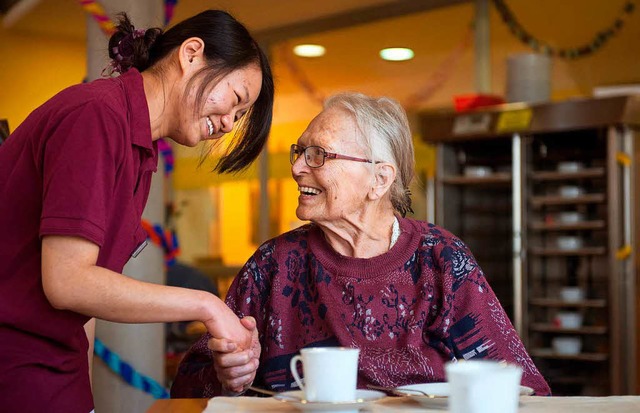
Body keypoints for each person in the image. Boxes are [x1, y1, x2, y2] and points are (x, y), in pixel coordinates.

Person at [170, 92, 551, 398]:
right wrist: (229, 378)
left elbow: (522, 386)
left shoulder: (440, 259)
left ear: (379, 180)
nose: (298, 167)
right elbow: (188, 387)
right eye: (299, 152)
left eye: (319, 154)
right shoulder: (274, 264)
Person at [0, 10, 273, 413]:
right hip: (17, 370)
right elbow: (66, 281)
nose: (230, 124)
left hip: (56, 375)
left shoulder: (138, 150)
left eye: (240, 115)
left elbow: (86, 295)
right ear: (192, 53)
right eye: (235, 101)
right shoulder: (96, 116)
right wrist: (207, 304)